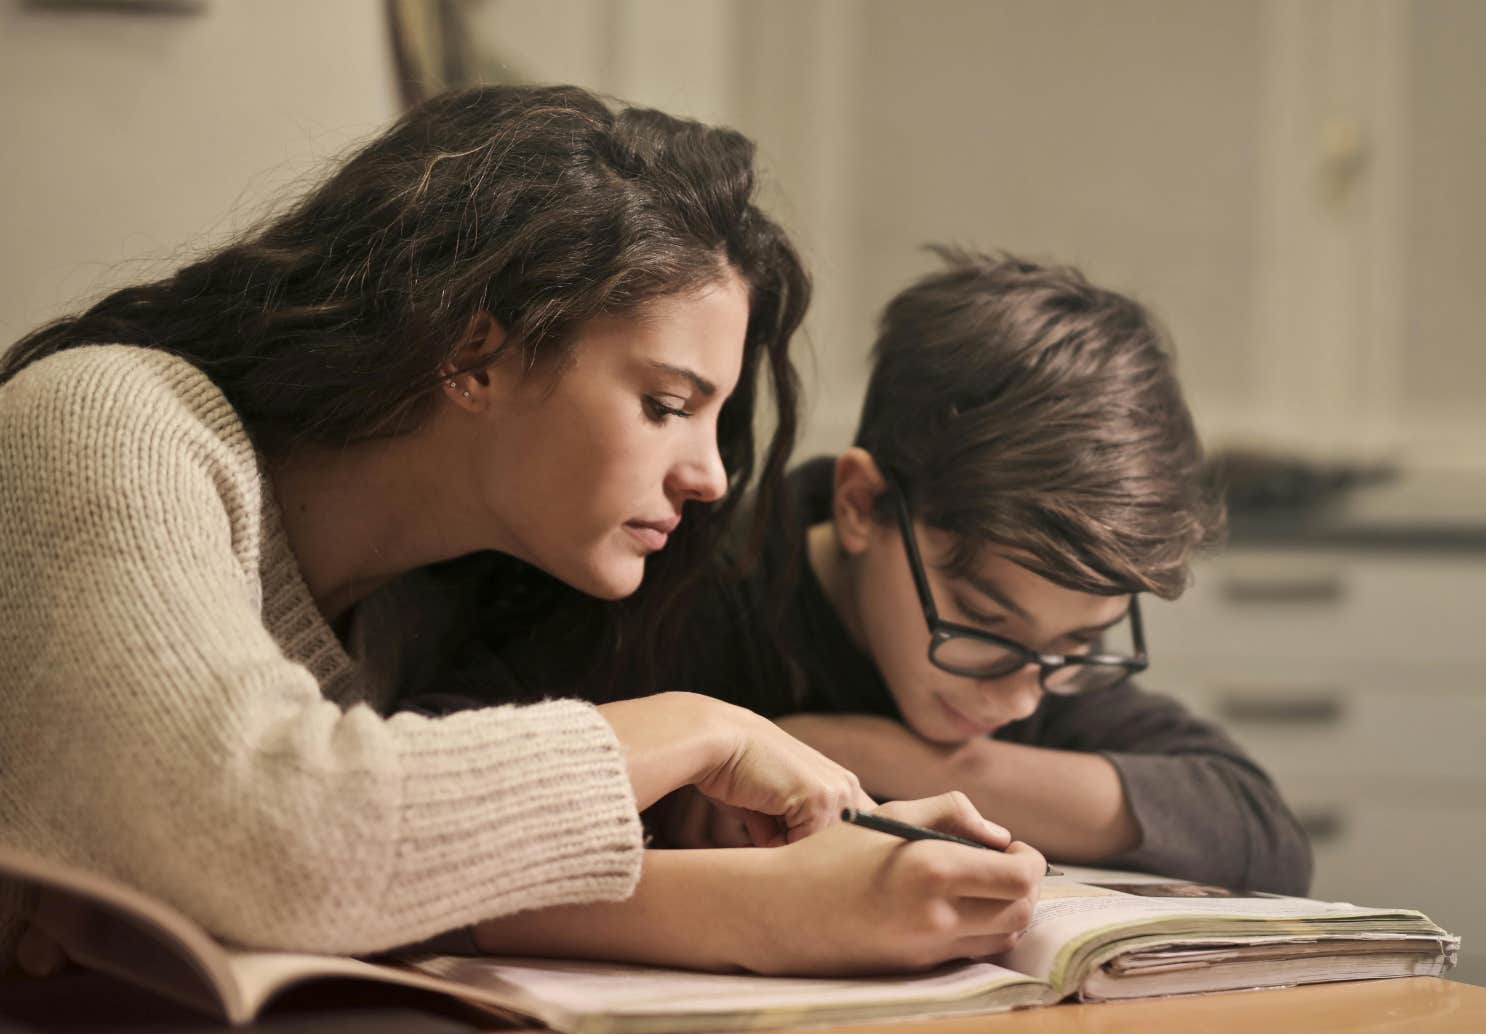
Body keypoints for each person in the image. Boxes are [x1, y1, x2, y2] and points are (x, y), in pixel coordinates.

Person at [0, 86, 1040, 977]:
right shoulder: (110, 421)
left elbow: (373, 876)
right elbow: (282, 841)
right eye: (667, 404)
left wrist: (795, 874)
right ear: (474, 354)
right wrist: (698, 731)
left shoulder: (427, 607)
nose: (712, 476)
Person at [441, 249, 1313, 895]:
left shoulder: (1035, 661)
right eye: (983, 622)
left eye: (1080, 645)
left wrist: (870, 754)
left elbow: (1257, 830)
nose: (1021, 699)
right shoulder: (672, 586)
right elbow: (433, 786)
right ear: (860, 504)